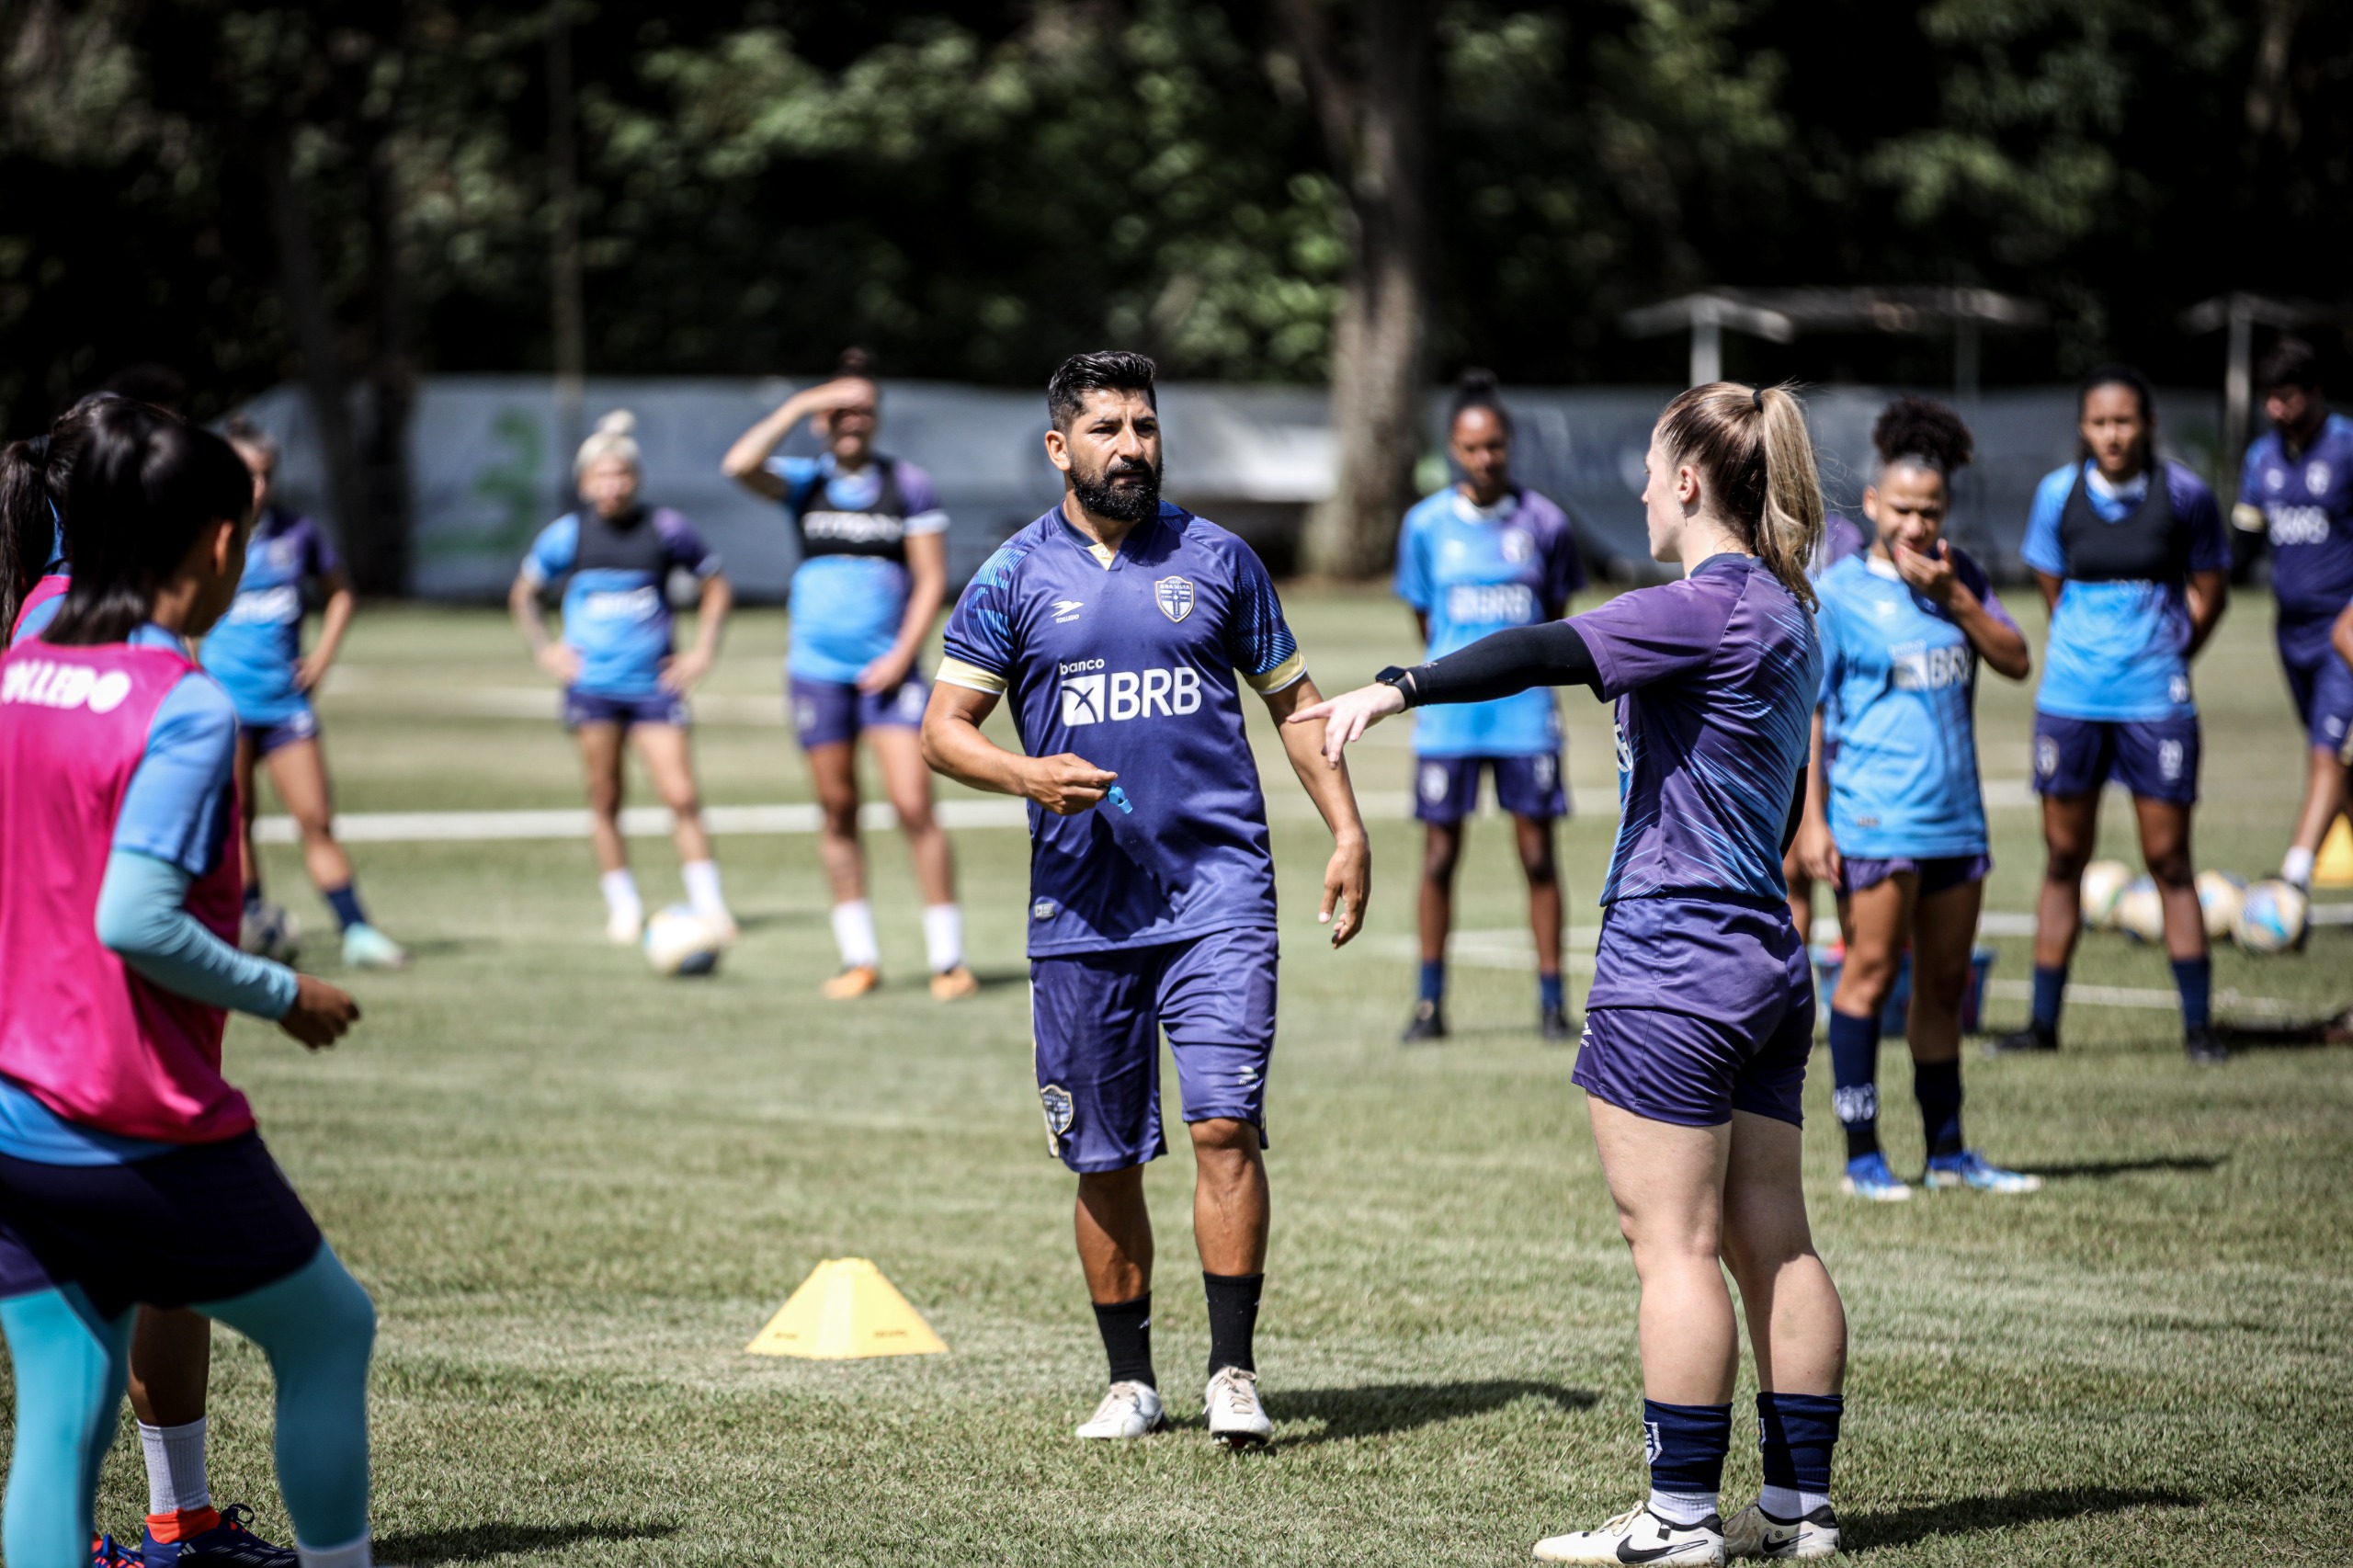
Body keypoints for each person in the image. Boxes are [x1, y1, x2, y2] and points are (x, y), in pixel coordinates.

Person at [1295, 382, 1848, 1564]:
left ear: (1692, 482)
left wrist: (1396, 686)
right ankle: (1797, 1511)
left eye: (1654, 470)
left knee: (1675, 1246)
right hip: (1762, 954)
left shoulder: (1701, 604)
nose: (1643, 490)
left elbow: (1545, 647)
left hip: (1673, 960)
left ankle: (1679, 1518)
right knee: (1776, 1239)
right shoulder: (1792, 610)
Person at [921, 351, 1370, 1449]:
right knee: (1104, 1152)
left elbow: (1296, 707)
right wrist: (1028, 774)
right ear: (1058, 446)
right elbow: (941, 731)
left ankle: (1230, 1370)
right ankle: (1131, 1380)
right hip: (1081, 911)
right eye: (1108, 427)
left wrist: (1348, 827)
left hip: (1218, 890)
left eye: (1145, 425)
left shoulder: (1220, 559)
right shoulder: (1012, 575)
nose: (1131, 445)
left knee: (1223, 1122)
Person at [0, 399, 381, 1568]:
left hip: (19, 1097)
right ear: (219, 545)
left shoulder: (26, 657)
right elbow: (133, 915)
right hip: (137, 1105)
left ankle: (181, 1523)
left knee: (62, 1409)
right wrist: (282, 990)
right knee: (329, 1329)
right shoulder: (184, 701)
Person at [1795, 397, 2038, 1203]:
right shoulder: (1836, 595)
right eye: (1902, 509)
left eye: (1931, 510)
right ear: (1871, 506)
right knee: (1866, 978)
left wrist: (1958, 600)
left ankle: (1948, 1152)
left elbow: (2015, 659)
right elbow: (1812, 720)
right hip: (1874, 822)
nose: (1916, 523)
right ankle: (1863, 1154)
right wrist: (1815, 821)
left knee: (1941, 989)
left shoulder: (1959, 577)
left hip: (1955, 822)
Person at [1989, 367, 2231, 1064]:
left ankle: (2198, 1029)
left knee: (2170, 861)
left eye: (2125, 421)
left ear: (2147, 424)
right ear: (2083, 428)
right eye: (2099, 422)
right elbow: (2050, 581)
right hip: (2070, 703)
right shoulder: (2056, 495)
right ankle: (2042, 1025)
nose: (2112, 434)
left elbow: (2210, 590)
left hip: (2157, 704)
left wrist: (2170, 656)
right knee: (2064, 856)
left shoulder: (2185, 494)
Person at [722, 349, 975, 1000]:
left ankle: (948, 959)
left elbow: (929, 581)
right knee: (838, 810)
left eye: (865, 409)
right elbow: (738, 465)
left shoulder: (907, 486)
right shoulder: (805, 484)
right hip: (815, 674)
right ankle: (858, 956)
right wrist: (805, 400)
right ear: (821, 420)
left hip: (889, 676)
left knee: (914, 804)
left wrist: (899, 655)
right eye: (840, 410)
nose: (852, 420)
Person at [1392, 369, 1586, 1042]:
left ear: (1509, 445)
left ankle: (1553, 1002)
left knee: (1537, 857)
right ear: (1452, 448)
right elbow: (1425, 619)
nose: (1485, 459)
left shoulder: (1546, 524)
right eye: (1472, 448)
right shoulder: (1424, 526)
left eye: (1495, 446)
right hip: (1448, 720)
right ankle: (1428, 1004)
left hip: (1524, 719)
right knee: (1440, 858)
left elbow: (1554, 621)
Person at [511, 411, 733, 945]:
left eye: (621, 475)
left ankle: (711, 908)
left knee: (681, 795)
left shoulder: (666, 529)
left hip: (655, 688)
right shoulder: (569, 536)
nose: (611, 485)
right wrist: (547, 650)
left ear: (636, 479)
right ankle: (624, 906)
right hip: (593, 690)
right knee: (605, 796)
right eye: (600, 476)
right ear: (584, 484)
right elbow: (523, 594)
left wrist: (702, 651)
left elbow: (716, 586)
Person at [199, 418, 407, 971]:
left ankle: (358, 930)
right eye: (247, 474)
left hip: (286, 706)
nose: (258, 486)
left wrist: (322, 657)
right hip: (224, 708)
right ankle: (248, 922)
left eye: (266, 475)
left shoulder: (298, 534)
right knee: (235, 824)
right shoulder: (199, 533)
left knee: (316, 819)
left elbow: (341, 595)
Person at [2234, 337, 2353, 894]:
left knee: (2328, 752)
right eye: (2270, 399)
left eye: (2288, 398)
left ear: (2315, 393)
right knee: (2340, 762)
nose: (2277, 410)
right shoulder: (2261, 458)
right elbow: (2242, 548)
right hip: (2291, 634)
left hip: (2344, 632)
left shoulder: (2347, 447)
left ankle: (2293, 879)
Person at [1780, 511, 1870, 940]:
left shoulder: (1842, 536)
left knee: (1848, 881)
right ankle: (1796, 1003)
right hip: (1786, 724)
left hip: (1841, 734)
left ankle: (1855, 1000)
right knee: (1790, 876)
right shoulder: (1754, 528)